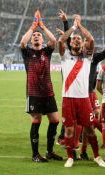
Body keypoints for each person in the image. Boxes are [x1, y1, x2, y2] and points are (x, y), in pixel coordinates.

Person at [56, 10, 105, 161]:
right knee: (69, 131)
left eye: (79, 39)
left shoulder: (88, 58)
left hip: (84, 98)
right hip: (68, 99)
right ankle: (70, 157)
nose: (76, 40)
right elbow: (60, 41)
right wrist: (72, 28)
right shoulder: (65, 57)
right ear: (70, 43)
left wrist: (80, 25)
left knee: (89, 129)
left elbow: (90, 38)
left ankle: (96, 156)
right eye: (74, 39)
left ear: (83, 44)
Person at [20, 10, 62, 162]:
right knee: (37, 120)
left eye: (38, 35)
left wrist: (42, 26)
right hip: (33, 93)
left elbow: (53, 41)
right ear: (32, 40)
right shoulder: (27, 53)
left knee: (55, 120)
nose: (36, 36)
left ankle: (50, 151)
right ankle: (35, 155)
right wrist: (32, 27)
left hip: (48, 92)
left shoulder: (46, 52)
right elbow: (22, 43)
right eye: (34, 36)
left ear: (42, 39)